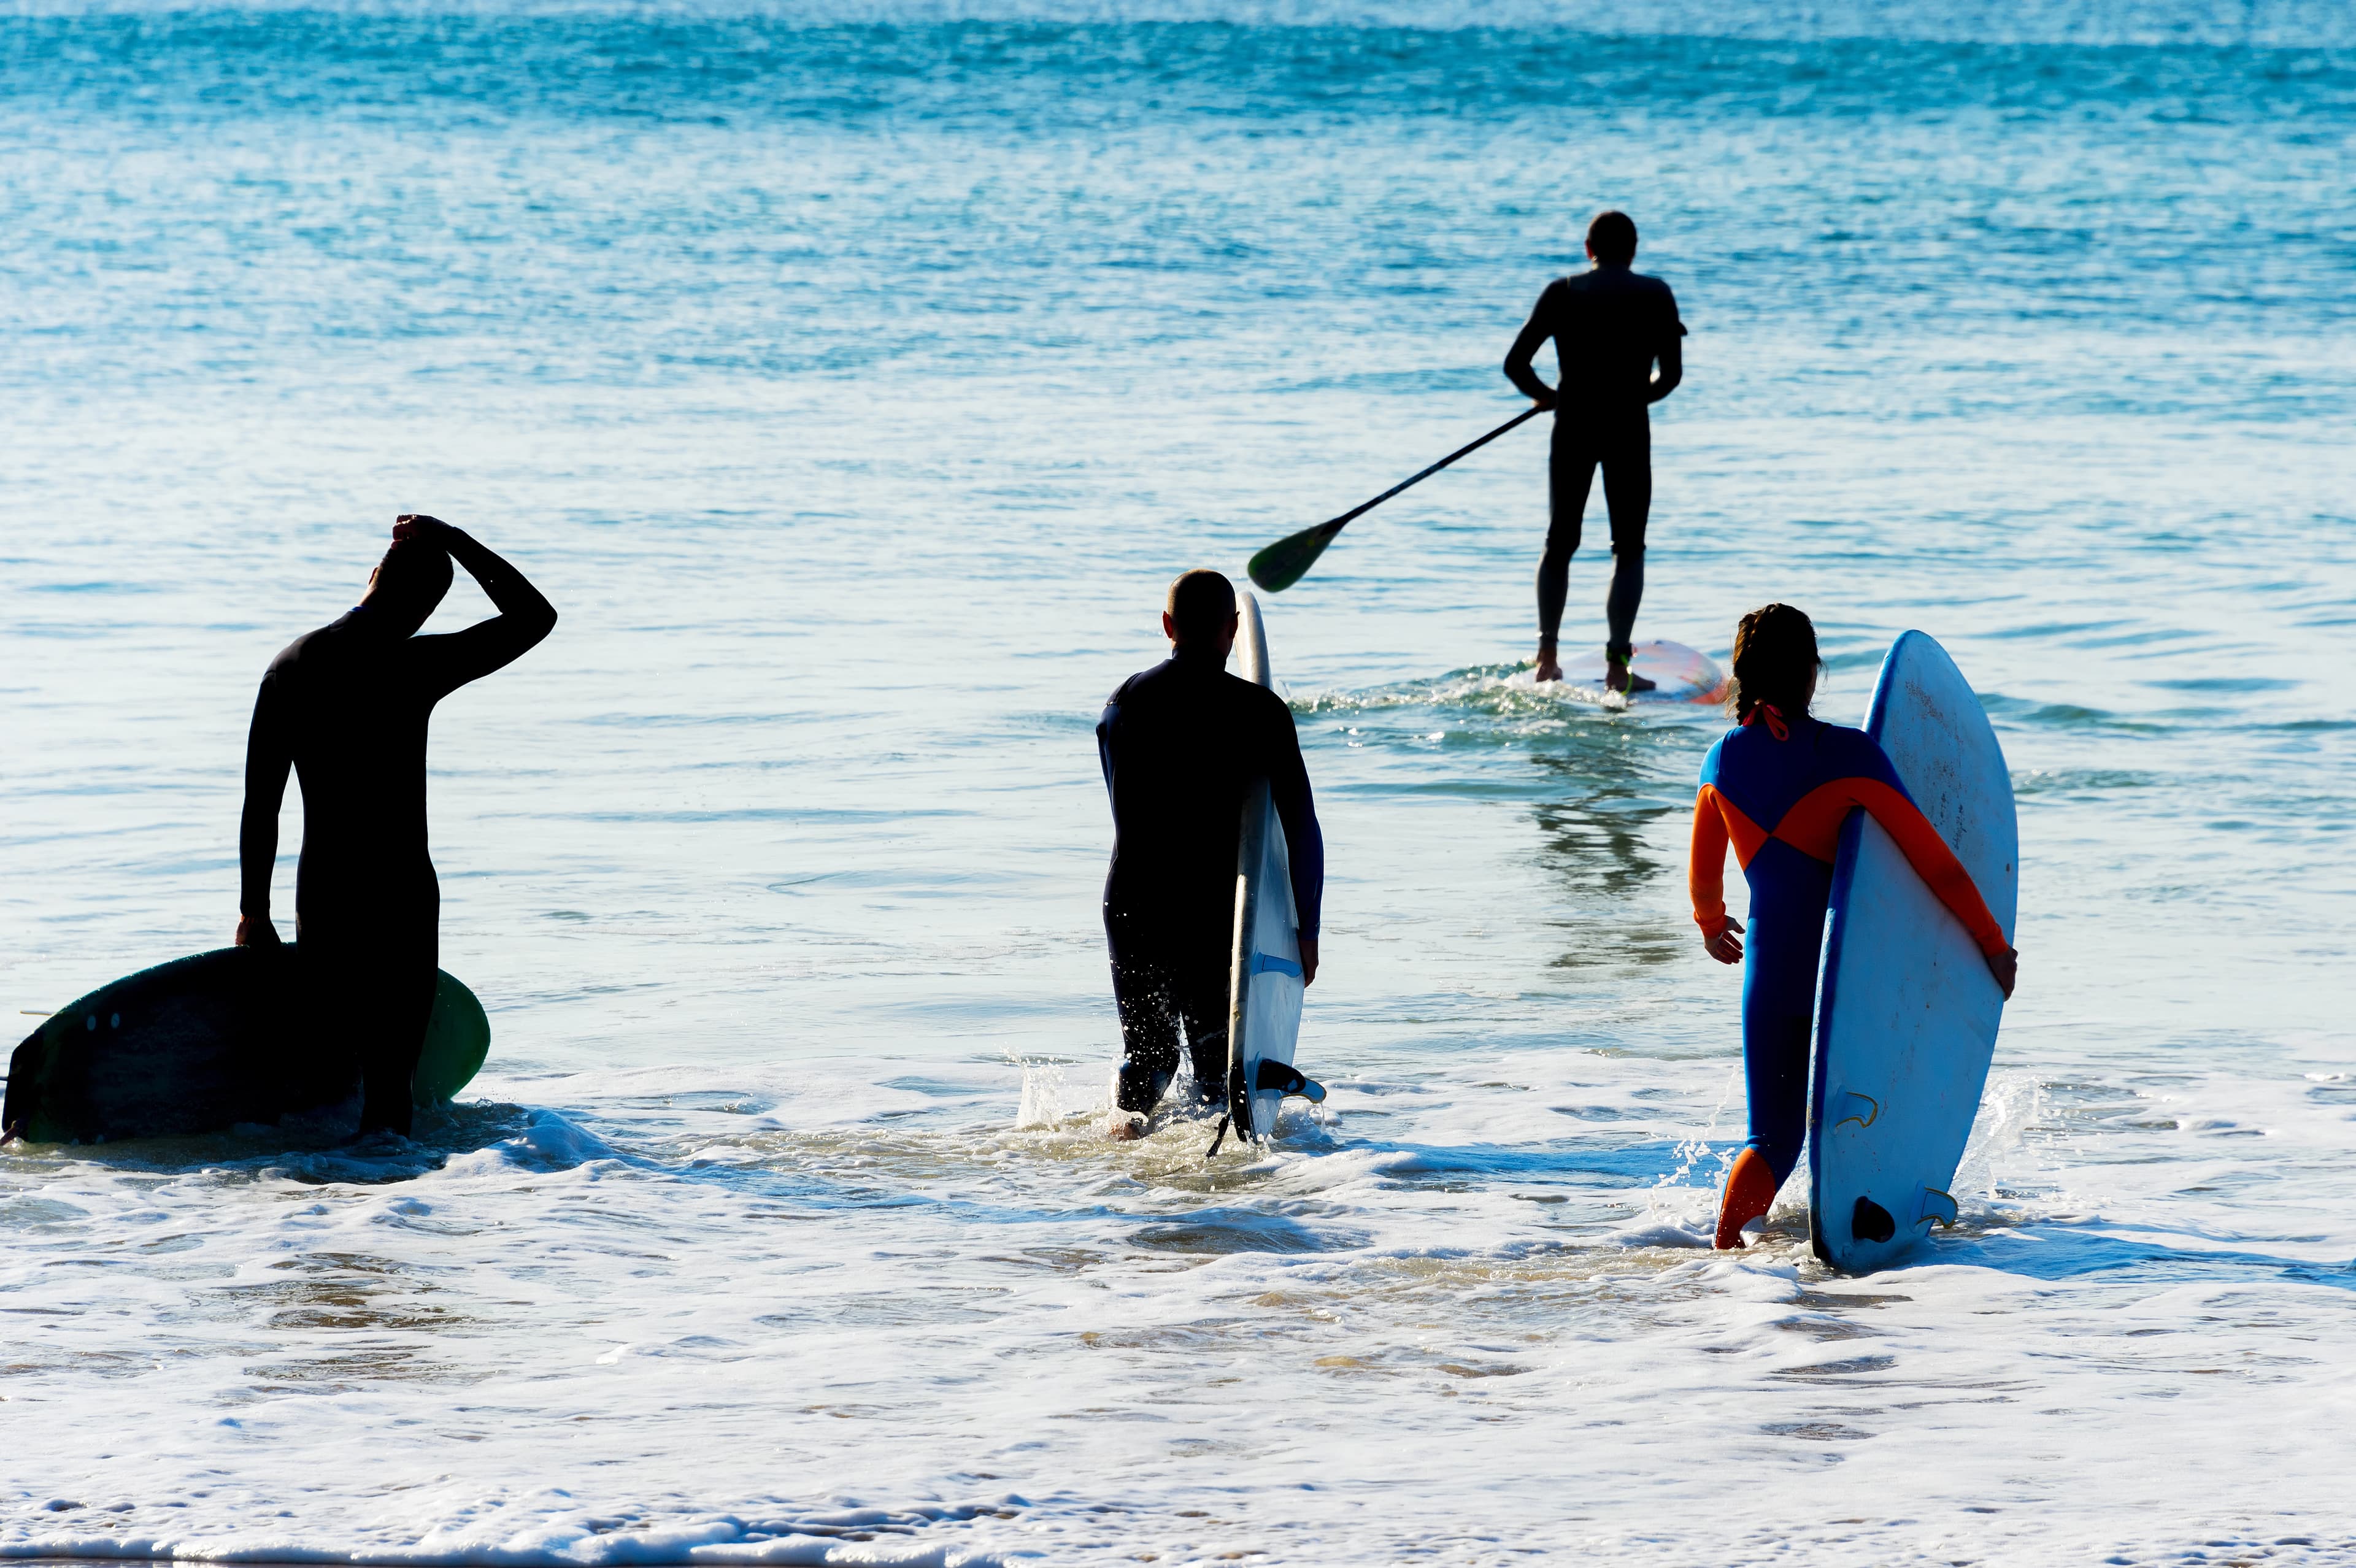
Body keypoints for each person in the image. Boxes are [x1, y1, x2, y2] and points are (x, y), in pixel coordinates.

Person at [1689, 604, 2018, 1248]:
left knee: (1771, 1140)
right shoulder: (1848, 756)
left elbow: (1704, 877)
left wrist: (1710, 924)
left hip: (1772, 976)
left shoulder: (1719, 764)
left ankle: (1721, 1262)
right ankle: (1858, 1245)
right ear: (1812, 673)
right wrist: (1992, 945)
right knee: (1863, 1121)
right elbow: (1939, 867)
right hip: (1852, 979)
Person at [237, 515, 557, 1137]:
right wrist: (455, 537)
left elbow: (261, 804)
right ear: (431, 606)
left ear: (373, 576)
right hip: (405, 895)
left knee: (328, 1082)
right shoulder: (416, 664)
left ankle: (325, 1212)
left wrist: (255, 910)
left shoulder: (292, 667)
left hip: (330, 894)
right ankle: (395, 1218)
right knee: (390, 1099)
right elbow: (534, 617)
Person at [1096, 569, 1325, 1140]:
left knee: (1148, 1058)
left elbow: (1127, 811)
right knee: (1214, 1074)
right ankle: (1216, 1188)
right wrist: (1306, 929)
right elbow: (1301, 828)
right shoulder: (1259, 713)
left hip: (1134, 904)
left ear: (1168, 626)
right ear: (1234, 629)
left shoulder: (1122, 706)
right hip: (1213, 911)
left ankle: (1123, 1142)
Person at [1503, 209, 1686, 693]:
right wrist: (1630, 396)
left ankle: (1547, 659)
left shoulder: (1562, 292)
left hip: (1573, 428)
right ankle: (1617, 667)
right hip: (1628, 429)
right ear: (1633, 251)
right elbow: (1669, 376)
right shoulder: (1655, 293)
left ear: (1589, 250)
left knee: (1559, 543)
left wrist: (1553, 395)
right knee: (1629, 548)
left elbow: (1515, 364)